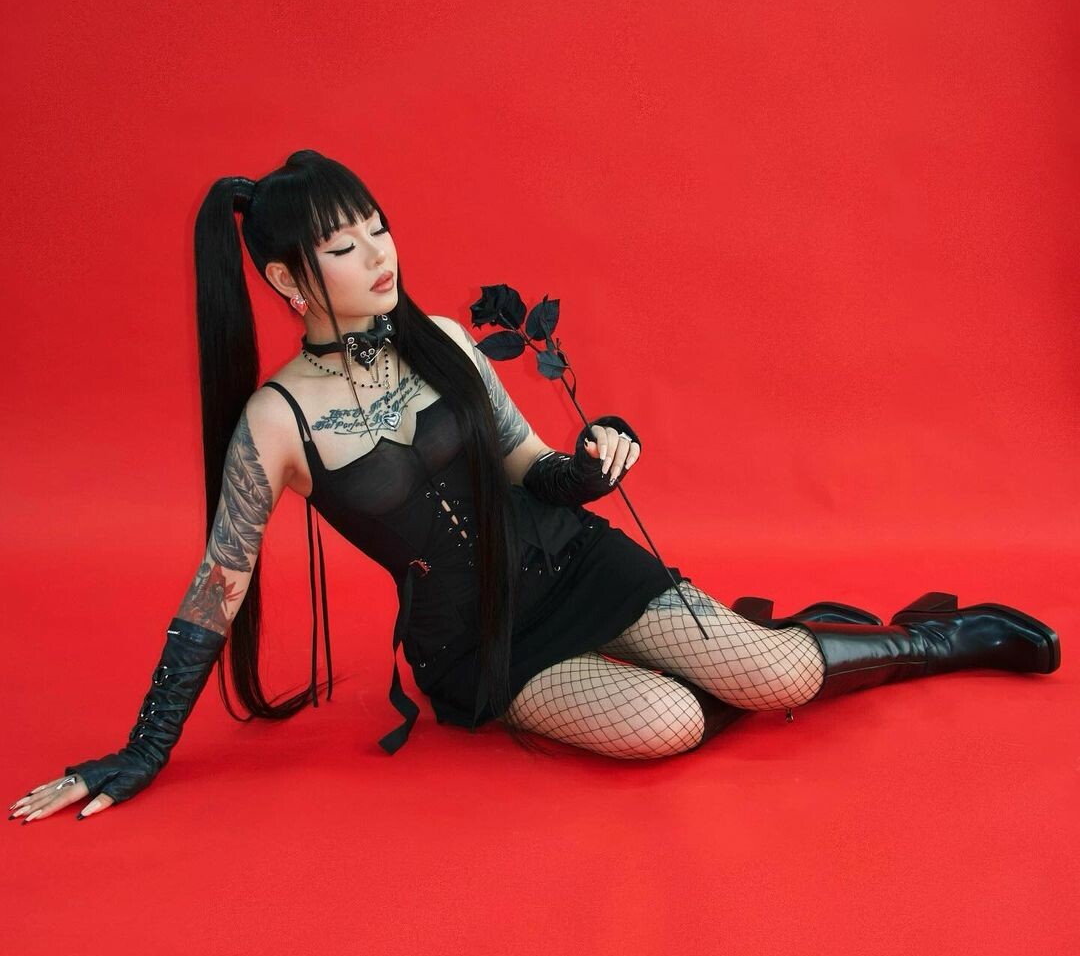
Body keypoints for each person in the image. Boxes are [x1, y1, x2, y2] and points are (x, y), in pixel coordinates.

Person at [10, 150, 1061, 824]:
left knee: (777, 675)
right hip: (481, 647)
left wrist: (596, 457)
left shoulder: (447, 340)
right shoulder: (275, 425)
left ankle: (936, 638)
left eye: (378, 226)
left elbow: (530, 468)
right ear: (286, 278)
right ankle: (748, 655)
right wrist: (144, 748)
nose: (378, 254)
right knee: (668, 726)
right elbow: (218, 587)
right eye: (343, 243)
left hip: (574, 563)